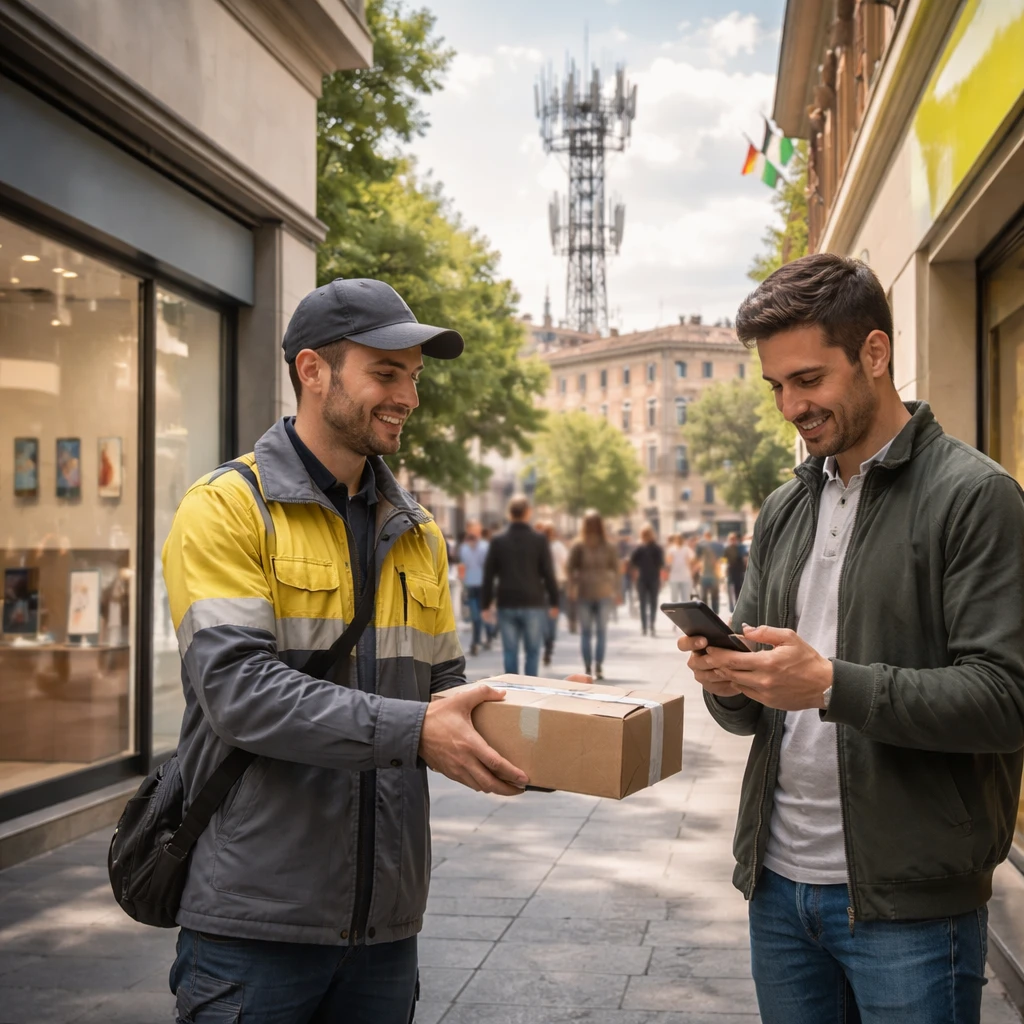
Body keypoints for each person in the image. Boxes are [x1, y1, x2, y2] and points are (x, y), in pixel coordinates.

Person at [161, 277, 535, 1024]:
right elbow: (239, 693)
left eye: (415, 378)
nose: (409, 398)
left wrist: (545, 717)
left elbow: (443, 689)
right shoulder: (227, 508)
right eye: (386, 374)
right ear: (313, 371)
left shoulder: (418, 529)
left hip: (386, 930)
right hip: (254, 926)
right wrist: (414, 728)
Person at [677, 253, 1024, 1024]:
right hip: (777, 889)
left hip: (911, 907)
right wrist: (730, 681)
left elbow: (1006, 699)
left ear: (875, 353)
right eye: (775, 386)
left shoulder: (977, 497)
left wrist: (833, 684)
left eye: (807, 380)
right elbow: (759, 709)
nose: (790, 406)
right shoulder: (784, 509)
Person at [481, 496, 559, 676]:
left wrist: (485, 604)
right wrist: (554, 601)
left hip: (507, 601)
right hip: (533, 601)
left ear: (509, 513)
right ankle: (530, 691)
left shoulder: (498, 540)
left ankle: (513, 691)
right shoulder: (539, 540)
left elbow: (489, 574)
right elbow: (548, 573)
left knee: (510, 652)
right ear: (528, 513)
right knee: (532, 652)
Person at [566, 510, 620, 679]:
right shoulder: (608, 546)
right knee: (601, 631)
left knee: (586, 632)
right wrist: (617, 590)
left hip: (584, 591)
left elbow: (569, 567)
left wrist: (572, 585)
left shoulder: (578, 545)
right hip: (604, 591)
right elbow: (617, 569)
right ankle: (598, 666)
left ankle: (588, 666)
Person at [537, 521, 568, 666]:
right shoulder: (558, 546)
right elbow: (565, 564)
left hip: (541, 586)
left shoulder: (537, 546)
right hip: (557, 584)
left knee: (543, 617)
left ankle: (546, 641)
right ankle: (550, 644)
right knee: (553, 617)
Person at [457, 521, 489, 656]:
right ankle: (476, 641)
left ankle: (487, 635)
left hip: (483, 585)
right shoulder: (464, 548)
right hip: (471, 584)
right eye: (471, 530)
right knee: (476, 615)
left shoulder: (485, 547)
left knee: (483, 613)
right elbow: (462, 566)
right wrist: (462, 581)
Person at [629, 524, 664, 636]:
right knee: (653, 603)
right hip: (653, 578)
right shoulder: (657, 548)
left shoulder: (639, 548)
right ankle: (651, 626)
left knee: (643, 603)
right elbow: (661, 564)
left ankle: (644, 627)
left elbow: (632, 562)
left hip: (642, 578)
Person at [694, 528, 723, 613]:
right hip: (715, 574)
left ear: (705, 536)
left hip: (704, 574)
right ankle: (716, 613)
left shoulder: (700, 545)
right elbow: (721, 559)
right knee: (715, 596)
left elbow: (697, 559)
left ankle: (705, 613)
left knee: (704, 597)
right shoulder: (718, 545)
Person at [722, 531, 747, 612]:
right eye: (731, 539)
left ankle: (736, 606)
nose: (732, 541)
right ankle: (733, 607)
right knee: (732, 590)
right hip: (732, 571)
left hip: (738, 571)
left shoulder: (739, 547)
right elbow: (724, 561)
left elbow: (745, 559)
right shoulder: (728, 548)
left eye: (733, 539)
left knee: (737, 590)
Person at [665, 534, 693, 604]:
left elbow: (691, 561)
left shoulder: (687, 549)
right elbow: (668, 561)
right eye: (677, 539)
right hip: (674, 576)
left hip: (685, 576)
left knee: (686, 599)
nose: (678, 540)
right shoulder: (671, 549)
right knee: (674, 599)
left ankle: (685, 614)